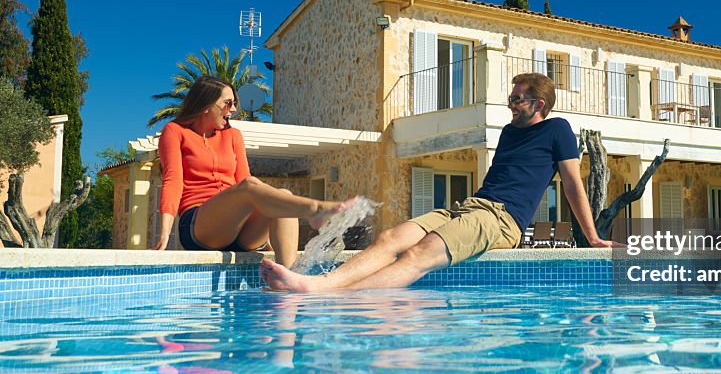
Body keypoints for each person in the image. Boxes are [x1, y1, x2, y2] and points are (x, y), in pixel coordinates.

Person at [260, 72, 615, 292]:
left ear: (538, 103)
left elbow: (571, 185)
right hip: (473, 207)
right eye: (511, 97)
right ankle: (318, 285)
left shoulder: (558, 130)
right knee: (390, 238)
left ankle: (328, 297)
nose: (511, 103)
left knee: (420, 253)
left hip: (503, 219)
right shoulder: (508, 133)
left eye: (517, 98)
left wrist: (593, 237)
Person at [151, 75, 356, 266]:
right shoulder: (175, 132)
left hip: (240, 232)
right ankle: (314, 209)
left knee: (281, 196)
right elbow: (173, 181)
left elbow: (244, 180)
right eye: (228, 103)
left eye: (235, 104)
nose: (233, 110)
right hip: (199, 226)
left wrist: (268, 234)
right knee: (250, 187)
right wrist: (164, 235)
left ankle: (289, 279)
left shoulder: (233, 136)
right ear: (206, 104)